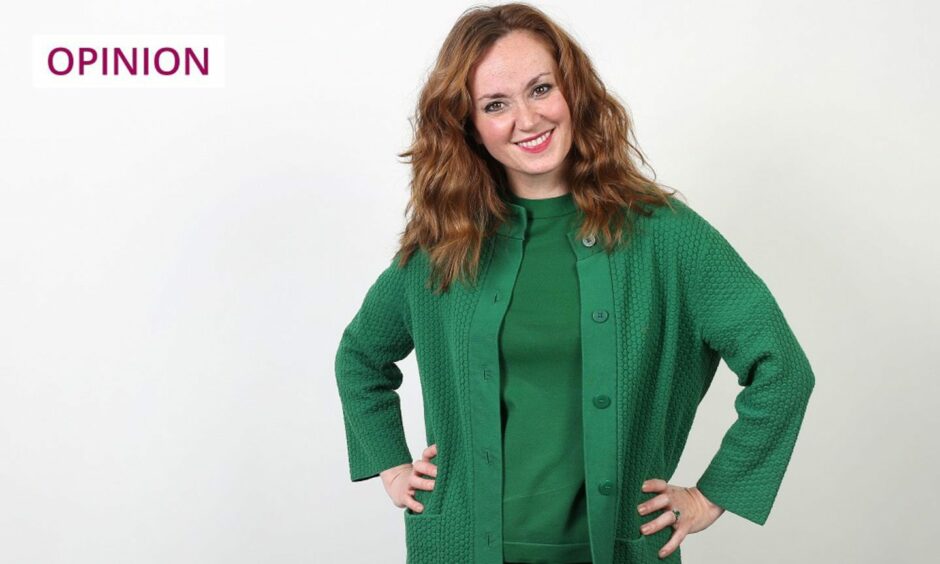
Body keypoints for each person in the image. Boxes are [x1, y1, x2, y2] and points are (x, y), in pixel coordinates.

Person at [334, 3, 815, 563]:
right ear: (470, 126)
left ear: (574, 90)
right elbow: (360, 357)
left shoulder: (665, 236)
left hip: (618, 549)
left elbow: (783, 369)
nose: (528, 119)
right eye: (496, 104)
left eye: (541, 89)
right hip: (463, 549)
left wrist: (712, 495)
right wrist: (392, 465)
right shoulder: (446, 245)